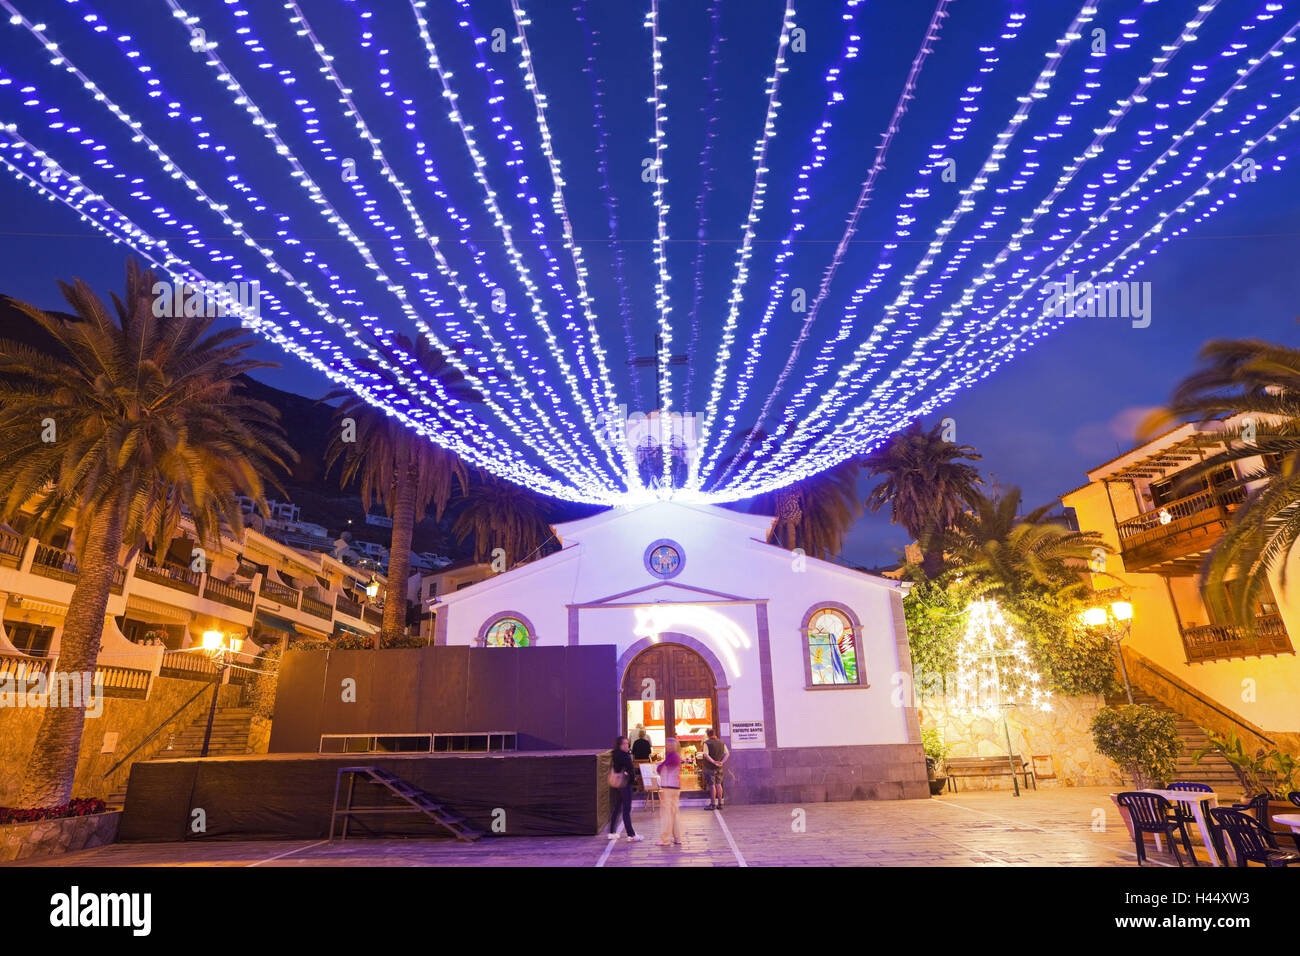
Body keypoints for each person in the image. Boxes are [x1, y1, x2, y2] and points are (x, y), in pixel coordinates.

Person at [607, 736, 642, 842]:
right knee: (626, 810)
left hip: (616, 784)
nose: (627, 745)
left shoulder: (615, 755)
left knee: (617, 808)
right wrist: (633, 780)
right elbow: (631, 771)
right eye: (625, 744)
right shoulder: (625, 756)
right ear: (621, 745)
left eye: (627, 743)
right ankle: (631, 834)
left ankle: (612, 832)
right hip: (625, 784)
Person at [655, 737, 682, 846]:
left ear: (672, 746)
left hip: (669, 787)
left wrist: (659, 766)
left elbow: (660, 768)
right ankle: (677, 838)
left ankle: (665, 839)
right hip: (675, 787)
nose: (667, 746)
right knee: (673, 813)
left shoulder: (672, 756)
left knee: (667, 815)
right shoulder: (676, 756)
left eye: (668, 745)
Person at [704, 727, 729, 810]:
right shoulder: (721, 743)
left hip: (710, 767)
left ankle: (713, 804)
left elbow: (705, 755)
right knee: (719, 784)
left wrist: (713, 761)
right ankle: (720, 803)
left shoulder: (707, 743)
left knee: (712, 785)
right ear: (715, 734)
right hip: (719, 767)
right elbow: (727, 754)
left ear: (708, 735)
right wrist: (722, 762)